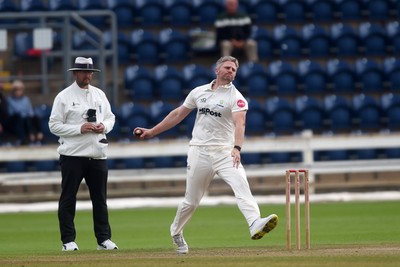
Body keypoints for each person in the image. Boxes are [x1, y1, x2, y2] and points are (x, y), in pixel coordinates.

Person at [134, 56, 278, 254]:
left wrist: (237, 148)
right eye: (227, 68)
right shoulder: (198, 92)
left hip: (225, 151)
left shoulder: (237, 97)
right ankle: (176, 233)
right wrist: (152, 131)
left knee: (241, 185)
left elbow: (240, 123)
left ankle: (254, 222)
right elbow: (178, 114)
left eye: (234, 69)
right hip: (199, 151)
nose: (231, 72)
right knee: (191, 201)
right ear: (217, 70)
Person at [48, 57, 118, 251]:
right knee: (69, 198)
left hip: (97, 153)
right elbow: (53, 125)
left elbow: (111, 118)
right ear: (75, 73)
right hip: (72, 155)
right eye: (84, 72)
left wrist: (104, 126)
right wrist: (80, 128)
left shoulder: (99, 94)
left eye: (90, 72)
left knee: (100, 199)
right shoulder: (64, 97)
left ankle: (104, 239)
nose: (88, 75)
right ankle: (68, 240)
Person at [6, 80, 43, 145]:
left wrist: (26, 115)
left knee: (35, 117)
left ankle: (39, 136)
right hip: (16, 119)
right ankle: (27, 139)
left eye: (20, 89)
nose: (18, 91)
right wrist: (22, 113)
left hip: (26, 118)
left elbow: (30, 111)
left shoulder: (26, 99)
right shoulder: (10, 100)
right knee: (20, 118)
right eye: (16, 90)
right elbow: (10, 113)